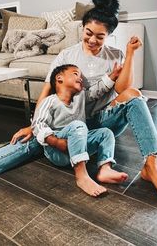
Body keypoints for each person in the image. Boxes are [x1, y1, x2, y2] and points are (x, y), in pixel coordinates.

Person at [0, 0, 157, 206]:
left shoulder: (115, 55)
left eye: (100, 36)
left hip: (100, 122)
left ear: (108, 36)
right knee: (36, 139)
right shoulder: (67, 56)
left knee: (134, 95)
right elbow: (47, 92)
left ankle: (152, 165)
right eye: (88, 32)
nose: (92, 40)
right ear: (82, 28)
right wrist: (34, 125)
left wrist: (131, 53)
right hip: (67, 123)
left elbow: (123, 89)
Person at [31, 64, 128, 196]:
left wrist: (114, 75)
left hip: (78, 146)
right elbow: (37, 124)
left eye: (81, 76)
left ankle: (105, 168)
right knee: (78, 125)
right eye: (76, 74)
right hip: (57, 150)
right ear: (59, 78)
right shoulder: (50, 101)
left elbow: (97, 90)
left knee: (105, 133)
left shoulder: (80, 97)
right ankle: (81, 175)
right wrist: (55, 141)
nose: (81, 78)